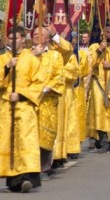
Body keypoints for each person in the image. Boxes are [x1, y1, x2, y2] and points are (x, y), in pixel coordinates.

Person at [0, 27, 43, 192]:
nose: (13, 41)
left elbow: (39, 83)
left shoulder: (32, 59)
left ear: (23, 40)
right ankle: (14, 180)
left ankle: (27, 178)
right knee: (10, 143)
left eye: (16, 38)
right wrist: (6, 68)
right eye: (10, 38)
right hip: (6, 108)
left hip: (25, 107)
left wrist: (22, 95)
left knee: (25, 141)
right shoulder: (3, 59)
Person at [32, 27, 65, 177]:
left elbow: (59, 76)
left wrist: (46, 88)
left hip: (47, 101)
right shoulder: (27, 54)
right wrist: (33, 55)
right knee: (29, 135)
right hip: (29, 102)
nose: (38, 37)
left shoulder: (55, 56)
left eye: (41, 35)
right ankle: (30, 168)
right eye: (35, 34)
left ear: (47, 38)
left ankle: (45, 166)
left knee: (46, 135)